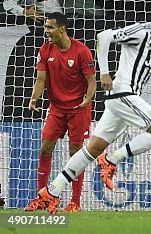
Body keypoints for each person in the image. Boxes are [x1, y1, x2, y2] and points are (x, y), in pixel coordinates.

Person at [37, 0, 151, 213]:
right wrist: (104, 72)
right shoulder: (140, 31)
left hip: (126, 99)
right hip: (122, 92)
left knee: (90, 150)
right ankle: (112, 159)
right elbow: (103, 37)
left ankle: (52, 191)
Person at [23, 12, 96, 212]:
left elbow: (91, 82)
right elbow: (40, 79)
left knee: (75, 154)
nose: (46, 31)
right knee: (45, 148)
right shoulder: (45, 49)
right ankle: (43, 198)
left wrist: (87, 99)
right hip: (56, 109)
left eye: (50, 28)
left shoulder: (82, 51)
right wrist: (34, 98)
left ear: (62, 29)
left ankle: (75, 202)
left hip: (78, 110)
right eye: (46, 27)